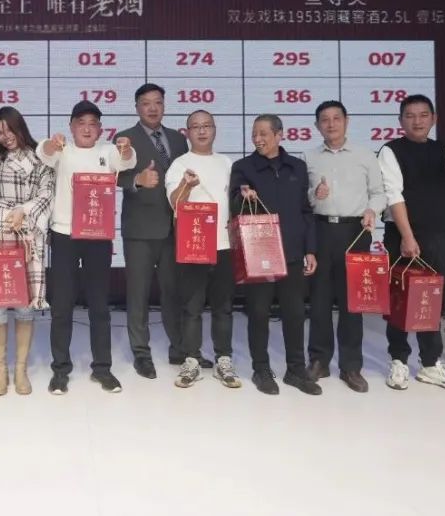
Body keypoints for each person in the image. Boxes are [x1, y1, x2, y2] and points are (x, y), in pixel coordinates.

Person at [377, 94, 445, 392]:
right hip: (401, 236)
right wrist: (407, 237)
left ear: (433, 119)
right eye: (410, 116)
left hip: (437, 236)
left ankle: (430, 363)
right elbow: (393, 195)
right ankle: (398, 360)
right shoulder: (390, 150)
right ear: (400, 121)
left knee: (432, 301)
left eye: (423, 115)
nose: (417, 121)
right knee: (400, 298)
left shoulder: (442, 148)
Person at [38, 100, 137, 394]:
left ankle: (102, 369)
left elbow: (128, 161)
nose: (86, 128)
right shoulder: (63, 149)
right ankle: (60, 370)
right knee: (62, 305)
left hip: (98, 236)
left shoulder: (108, 151)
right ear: (71, 127)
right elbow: (43, 152)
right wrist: (52, 144)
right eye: (80, 123)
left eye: (93, 124)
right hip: (64, 235)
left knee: (99, 304)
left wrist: (126, 149)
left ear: (100, 129)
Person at [230, 114, 320, 396]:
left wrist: (310, 249)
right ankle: (261, 369)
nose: (257, 139)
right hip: (259, 252)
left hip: (292, 252)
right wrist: (242, 195)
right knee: (258, 312)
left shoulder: (297, 167)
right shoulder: (243, 167)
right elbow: (234, 205)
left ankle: (296, 370)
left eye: (264, 134)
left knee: (295, 313)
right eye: (254, 134)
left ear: (280, 135)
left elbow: (306, 211)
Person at [0, 106, 55, 395]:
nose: (5, 136)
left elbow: (47, 193)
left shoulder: (40, 157)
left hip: (25, 230)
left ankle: (20, 369)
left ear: (20, 127)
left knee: (23, 306)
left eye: (9, 129)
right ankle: (0, 370)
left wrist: (24, 210)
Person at [304, 101, 387, 392]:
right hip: (321, 229)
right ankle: (319, 360)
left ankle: (351, 366)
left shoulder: (365, 156)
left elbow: (379, 193)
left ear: (346, 121)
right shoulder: (309, 157)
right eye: (324, 120)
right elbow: (304, 199)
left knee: (353, 302)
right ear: (317, 126)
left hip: (355, 232)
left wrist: (372, 210)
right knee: (319, 300)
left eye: (336, 118)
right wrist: (315, 194)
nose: (331, 124)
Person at [116, 83, 190, 379]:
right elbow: (113, 177)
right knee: (138, 294)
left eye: (157, 102)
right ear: (137, 107)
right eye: (146, 103)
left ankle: (180, 348)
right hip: (139, 230)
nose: (152, 108)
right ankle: (141, 354)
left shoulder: (178, 139)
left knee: (174, 292)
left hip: (174, 228)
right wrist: (137, 180)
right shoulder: (125, 139)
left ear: (164, 105)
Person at [164, 110, 240, 389]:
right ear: (187, 132)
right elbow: (174, 202)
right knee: (192, 307)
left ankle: (224, 359)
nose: (202, 131)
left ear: (215, 129)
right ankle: (191, 359)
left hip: (224, 245)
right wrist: (186, 184)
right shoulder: (179, 164)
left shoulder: (226, 163)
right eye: (195, 127)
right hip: (194, 245)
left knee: (223, 307)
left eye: (207, 125)